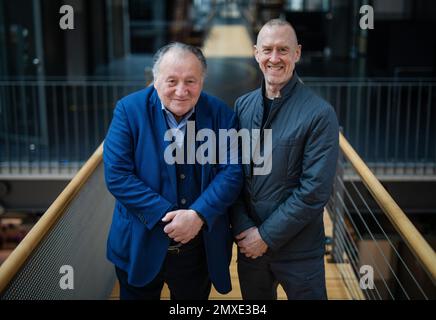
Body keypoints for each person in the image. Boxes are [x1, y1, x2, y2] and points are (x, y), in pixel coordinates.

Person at [103, 42, 243, 300]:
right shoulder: (128, 110)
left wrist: (197, 216)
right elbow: (117, 176)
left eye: (191, 81)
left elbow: (232, 173)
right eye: (172, 81)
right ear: (155, 80)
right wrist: (174, 218)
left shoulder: (222, 114)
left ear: (202, 81)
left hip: (198, 251)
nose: (181, 91)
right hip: (138, 245)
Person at [230, 19, 339, 300]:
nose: (274, 58)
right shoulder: (243, 106)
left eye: (283, 50)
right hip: (251, 250)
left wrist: (265, 237)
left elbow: (314, 192)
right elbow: (232, 175)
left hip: (299, 253)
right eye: (267, 50)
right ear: (256, 53)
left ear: (297, 53)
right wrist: (244, 229)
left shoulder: (319, 114)